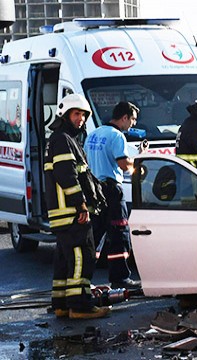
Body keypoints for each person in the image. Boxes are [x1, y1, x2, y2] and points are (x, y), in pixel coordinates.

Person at [44, 93, 110, 319]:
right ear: (64, 115)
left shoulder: (62, 139)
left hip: (63, 213)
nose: (80, 119)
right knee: (84, 256)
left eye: (83, 115)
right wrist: (81, 205)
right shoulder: (63, 140)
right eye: (76, 114)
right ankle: (80, 306)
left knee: (65, 258)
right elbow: (66, 175)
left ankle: (61, 304)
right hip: (72, 212)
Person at [84, 101, 144, 290]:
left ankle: (83, 278)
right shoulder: (117, 136)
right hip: (111, 190)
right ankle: (120, 278)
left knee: (95, 234)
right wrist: (139, 170)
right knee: (119, 233)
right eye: (132, 119)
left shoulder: (93, 135)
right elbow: (123, 164)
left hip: (93, 190)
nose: (132, 124)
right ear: (124, 117)